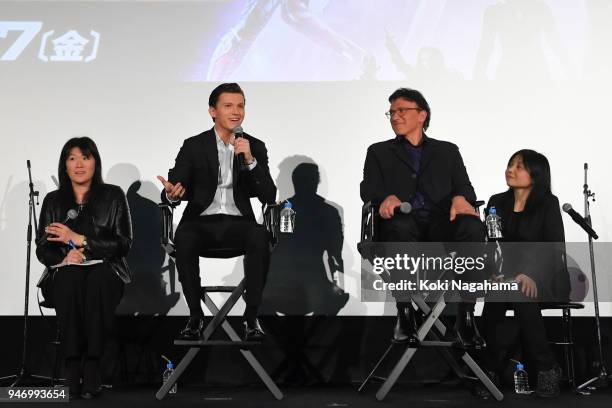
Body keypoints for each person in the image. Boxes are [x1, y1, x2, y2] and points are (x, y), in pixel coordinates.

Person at [360, 88, 485, 347]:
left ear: (422, 115)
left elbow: (465, 188)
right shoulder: (378, 152)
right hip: (403, 225)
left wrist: (461, 198)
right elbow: (368, 189)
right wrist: (385, 197)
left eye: (401, 110)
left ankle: (466, 316)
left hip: (440, 225)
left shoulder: (447, 151)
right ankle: (405, 312)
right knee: (400, 225)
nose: (395, 116)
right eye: (391, 112)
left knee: (472, 226)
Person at [158, 83, 276, 342]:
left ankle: (251, 317)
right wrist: (172, 194)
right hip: (201, 222)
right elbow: (176, 184)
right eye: (228, 106)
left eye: (241, 105)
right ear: (213, 111)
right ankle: (194, 316)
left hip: (239, 224)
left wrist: (250, 161)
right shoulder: (194, 145)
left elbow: (269, 195)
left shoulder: (254, 145)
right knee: (185, 236)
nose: (236, 112)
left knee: (259, 236)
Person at [36, 137, 132, 399]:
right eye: (72, 158)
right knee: (69, 280)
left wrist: (81, 240)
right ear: (64, 165)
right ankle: (73, 362)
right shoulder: (53, 200)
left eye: (85, 158)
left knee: (98, 281)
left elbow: (123, 244)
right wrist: (63, 259)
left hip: (106, 270)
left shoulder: (113, 196)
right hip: (65, 273)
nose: (79, 164)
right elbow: (42, 247)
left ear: (95, 163)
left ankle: (91, 366)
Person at [481, 150, 569, 398]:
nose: (511, 169)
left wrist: (531, 274)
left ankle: (546, 368)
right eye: (510, 164)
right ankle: (490, 370)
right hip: (507, 278)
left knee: (519, 291)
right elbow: (489, 244)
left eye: (519, 166)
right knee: (498, 294)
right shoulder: (496, 201)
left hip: (544, 277)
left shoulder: (548, 203)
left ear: (536, 174)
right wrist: (492, 272)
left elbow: (555, 247)